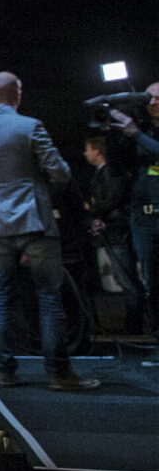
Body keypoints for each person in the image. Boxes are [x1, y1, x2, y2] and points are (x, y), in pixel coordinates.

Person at [0, 71, 97, 390]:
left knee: (0, 295)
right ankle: (58, 373)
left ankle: (6, 371)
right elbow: (60, 173)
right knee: (49, 297)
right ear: (18, 95)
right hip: (34, 220)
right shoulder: (29, 126)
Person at [107, 81, 159, 330]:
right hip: (144, 219)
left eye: (158, 98)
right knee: (152, 281)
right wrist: (113, 134)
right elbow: (117, 170)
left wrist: (135, 134)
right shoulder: (141, 130)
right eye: (148, 99)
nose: (153, 103)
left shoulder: (140, 133)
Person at [80, 135, 144, 335]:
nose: (85, 153)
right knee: (124, 278)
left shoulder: (111, 174)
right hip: (113, 230)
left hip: (116, 231)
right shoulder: (102, 175)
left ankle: (135, 325)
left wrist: (96, 213)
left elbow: (114, 198)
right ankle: (134, 324)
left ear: (97, 151)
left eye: (88, 149)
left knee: (127, 279)